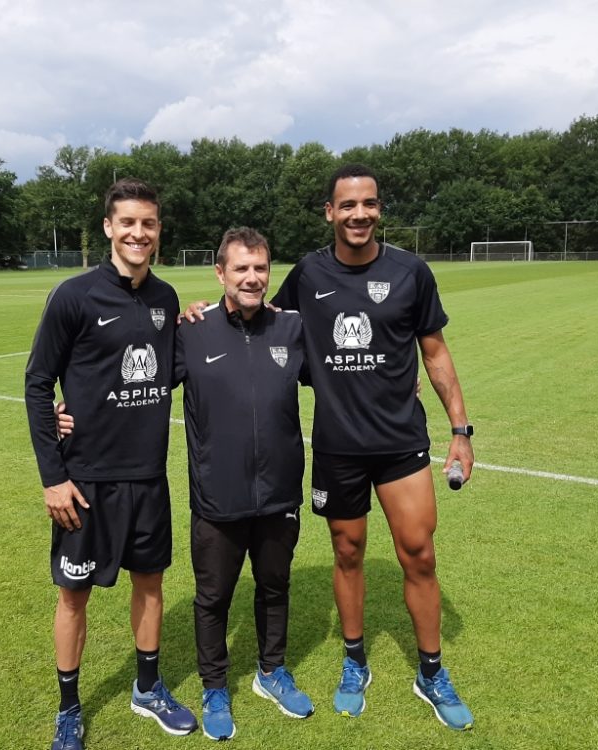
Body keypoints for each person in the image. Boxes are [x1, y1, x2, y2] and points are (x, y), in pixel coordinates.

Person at [270, 164, 476, 731]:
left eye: (369, 204)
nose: (359, 214)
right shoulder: (308, 274)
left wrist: (460, 431)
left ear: (378, 209)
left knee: (419, 552)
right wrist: (198, 316)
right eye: (348, 205)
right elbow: (265, 326)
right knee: (348, 553)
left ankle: (430, 671)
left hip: (400, 442)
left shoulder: (410, 272)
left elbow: (434, 352)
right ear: (330, 213)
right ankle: (354, 660)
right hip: (338, 445)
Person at [25, 178, 197, 750]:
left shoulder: (165, 298)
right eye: (127, 223)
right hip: (85, 481)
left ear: (158, 231)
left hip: (147, 475)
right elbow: (36, 383)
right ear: (108, 228)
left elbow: (167, 369)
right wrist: (54, 476)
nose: (138, 233)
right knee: (74, 595)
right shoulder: (74, 296)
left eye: (148, 224)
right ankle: (69, 707)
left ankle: (147, 689)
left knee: (150, 583)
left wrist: (205, 321)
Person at [175, 228, 314, 740]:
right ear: (220, 274)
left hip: (279, 491)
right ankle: (215, 686)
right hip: (218, 494)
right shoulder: (191, 330)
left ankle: (271, 672)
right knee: (213, 597)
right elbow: (134, 383)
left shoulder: (292, 328)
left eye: (260, 268)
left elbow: (343, 372)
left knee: (275, 587)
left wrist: (395, 380)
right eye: (241, 269)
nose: (252, 277)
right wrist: (69, 407)